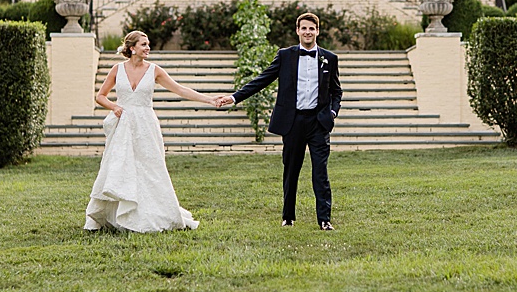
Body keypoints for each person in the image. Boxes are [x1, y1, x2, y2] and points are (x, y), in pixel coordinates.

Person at [215, 13, 343, 230]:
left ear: (317, 31)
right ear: (297, 31)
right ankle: (288, 216)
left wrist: (332, 113)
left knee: (320, 172)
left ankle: (324, 220)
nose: (307, 32)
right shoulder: (286, 56)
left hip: (318, 123)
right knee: (291, 170)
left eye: (311, 28)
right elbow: (262, 80)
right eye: (303, 28)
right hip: (293, 122)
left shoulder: (329, 58)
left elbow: (336, 91)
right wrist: (235, 97)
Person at [85, 30, 219, 232]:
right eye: (144, 44)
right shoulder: (117, 69)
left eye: (148, 44)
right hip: (124, 125)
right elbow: (100, 96)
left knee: (150, 169)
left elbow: (180, 90)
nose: (148, 48)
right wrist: (114, 107)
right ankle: (115, 215)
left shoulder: (154, 70)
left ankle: (153, 214)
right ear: (132, 48)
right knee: (120, 167)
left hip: (146, 125)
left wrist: (209, 99)